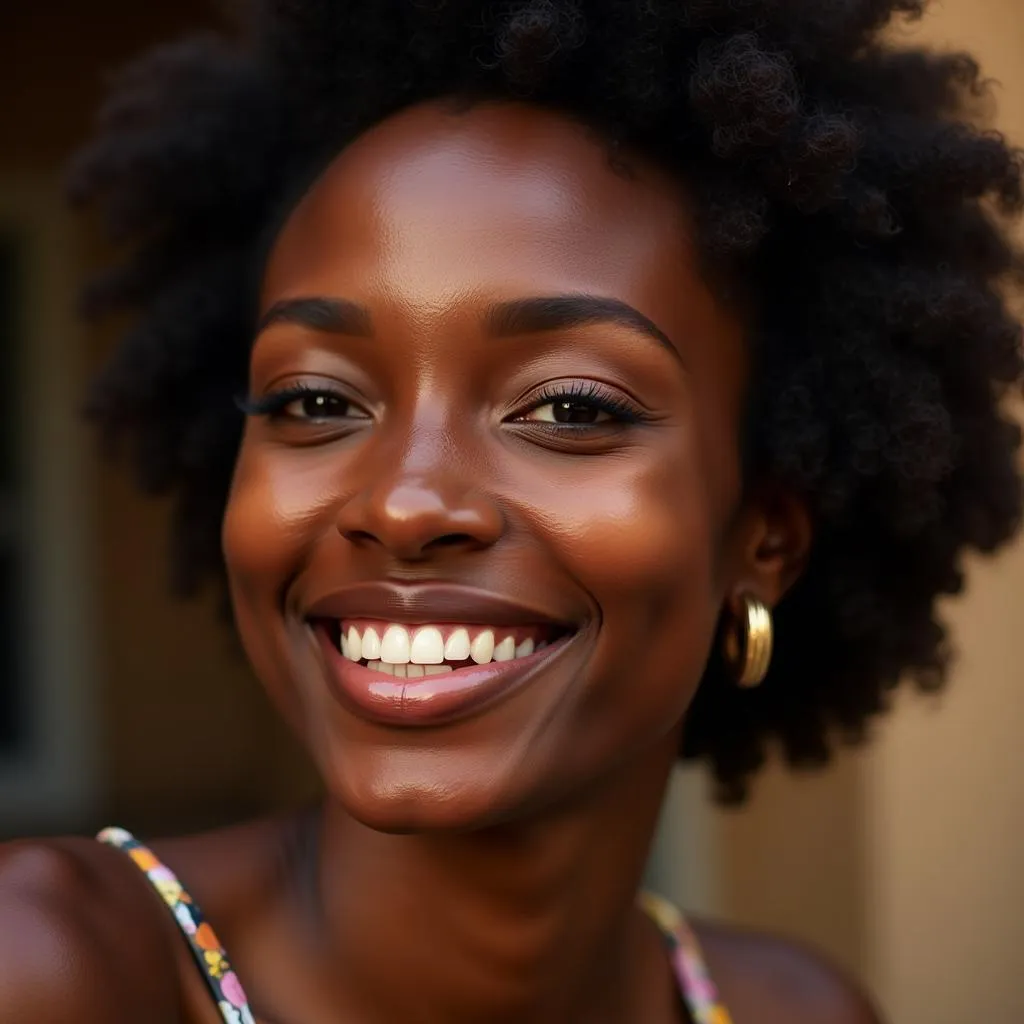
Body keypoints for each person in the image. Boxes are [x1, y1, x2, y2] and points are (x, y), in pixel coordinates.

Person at [2, 0, 1022, 1020]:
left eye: (570, 407)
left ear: (764, 538)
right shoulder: (51, 972)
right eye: (316, 401)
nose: (404, 502)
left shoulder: (794, 1011)